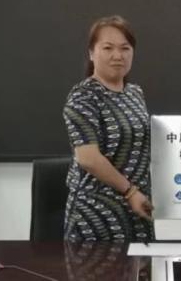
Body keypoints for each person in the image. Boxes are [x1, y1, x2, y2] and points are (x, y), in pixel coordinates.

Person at [63, 15, 154, 243]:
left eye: (125, 48)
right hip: (97, 215)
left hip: (137, 208)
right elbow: (88, 159)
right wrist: (130, 191)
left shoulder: (135, 93)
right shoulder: (83, 96)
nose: (118, 55)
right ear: (91, 53)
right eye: (108, 48)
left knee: (141, 266)